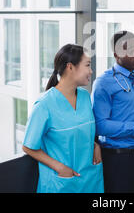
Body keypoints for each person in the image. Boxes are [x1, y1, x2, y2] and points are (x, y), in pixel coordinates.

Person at [22, 44, 104, 193]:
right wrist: (60, 167)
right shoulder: (44, 105)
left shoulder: (85, 96)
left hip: (89, 179)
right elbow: (28, 146)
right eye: (87, 65)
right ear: (70, 67)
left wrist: (94, 145)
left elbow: (78, 128)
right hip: (62, 183)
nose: (91, 71)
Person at [91, 30, 134, 193]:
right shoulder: (103, 83)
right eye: (130, 51)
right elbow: (100, 126)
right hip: (119, 160)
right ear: (116, 54)